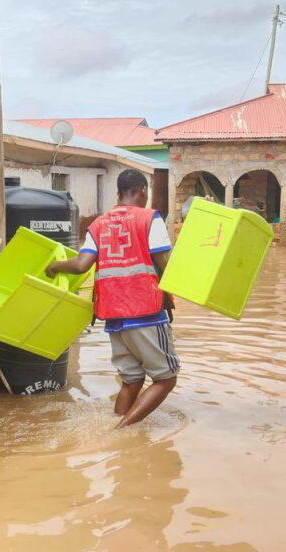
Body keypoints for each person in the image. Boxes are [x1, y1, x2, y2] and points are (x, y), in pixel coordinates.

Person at [46, 169, 179, 428]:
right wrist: (169, 295)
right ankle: (120, 431)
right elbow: (165, 263)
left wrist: (54, 266)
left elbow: (82, 264)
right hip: (145, 313)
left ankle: (114, 426)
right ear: (143, 191)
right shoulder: (150, 218)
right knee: (166, 379)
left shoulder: (98, 224)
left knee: (132, 380)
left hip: (113, 317)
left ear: (118, 194)